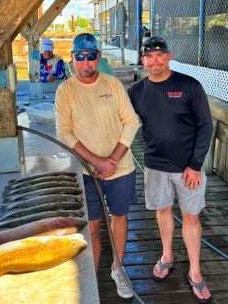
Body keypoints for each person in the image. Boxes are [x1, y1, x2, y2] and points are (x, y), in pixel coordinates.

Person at [54, 33, 141, 299]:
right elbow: (64, 133)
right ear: (72, 59)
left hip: (121, 169)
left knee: (119, 218)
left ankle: (118, 269)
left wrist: (112, 160)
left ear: (98, 58)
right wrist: (98, 162)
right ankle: (91, 273)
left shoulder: (113, 84)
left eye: (90, 57)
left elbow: (131, 122)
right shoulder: (65, 91)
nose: (85, 63)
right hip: (87, 171)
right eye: (79, 57)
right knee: (91, 225)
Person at [128, 36, 213, 304]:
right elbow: (117, 120)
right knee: (162, 211)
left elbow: (205, 126)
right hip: (155, 166)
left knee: (190, 217)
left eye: (159, 55)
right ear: (143, 60)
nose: (154, 60)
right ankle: (167, 255)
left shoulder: (189, 85)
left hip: (188, 168)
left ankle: (195, 270)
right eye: (149, 56)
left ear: (168, 56)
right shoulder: (135, 92)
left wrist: (195, 165)